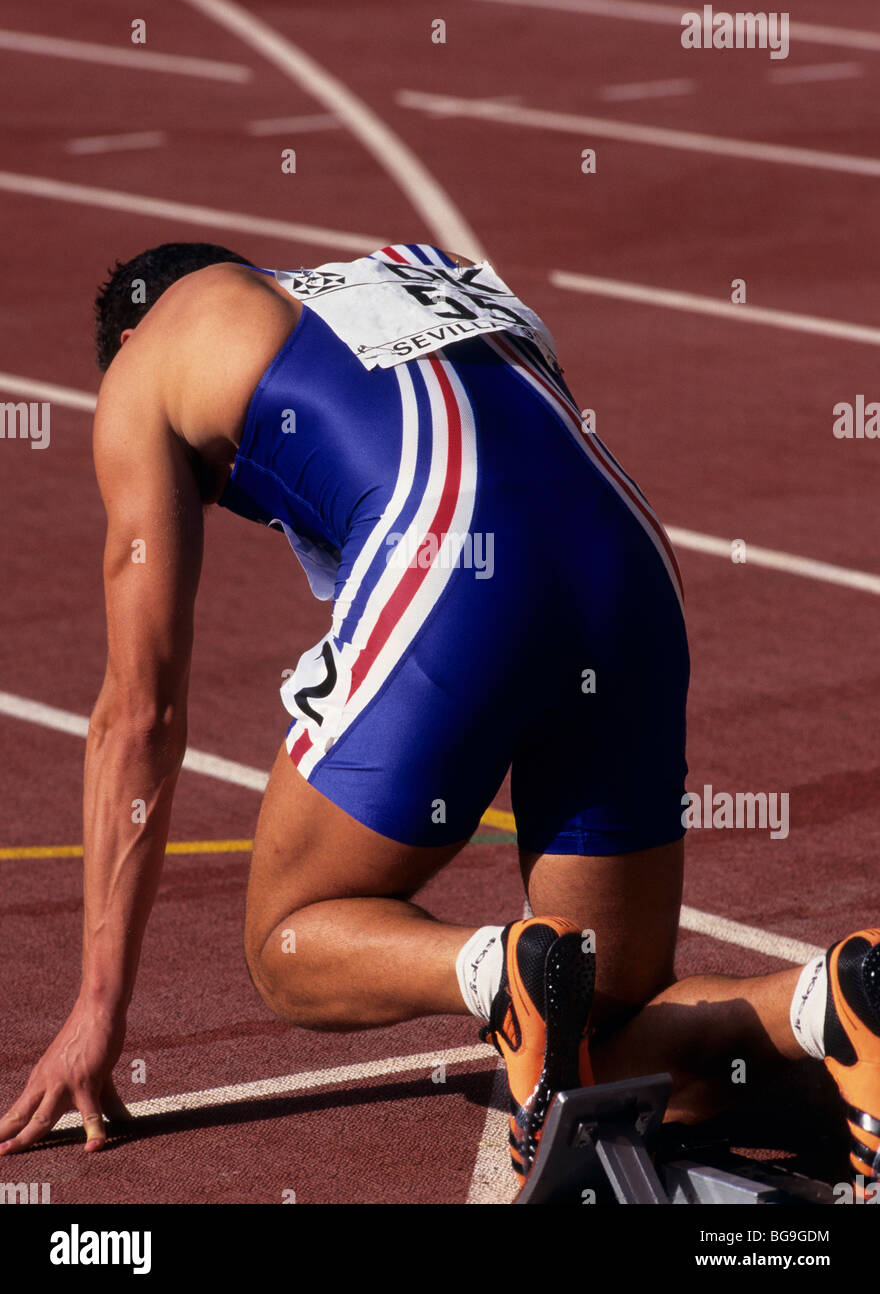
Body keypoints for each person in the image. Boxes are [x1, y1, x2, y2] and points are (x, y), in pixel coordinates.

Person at [0, 240, 876, 1195]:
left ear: (132, 333)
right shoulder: (416, 267)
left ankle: (493, 971)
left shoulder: (152, 353)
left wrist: (97, 1003)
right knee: (603, 1046)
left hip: (454, 548)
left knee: (285, 939)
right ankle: (826, 1003)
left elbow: (139, 714)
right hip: (627, 560)